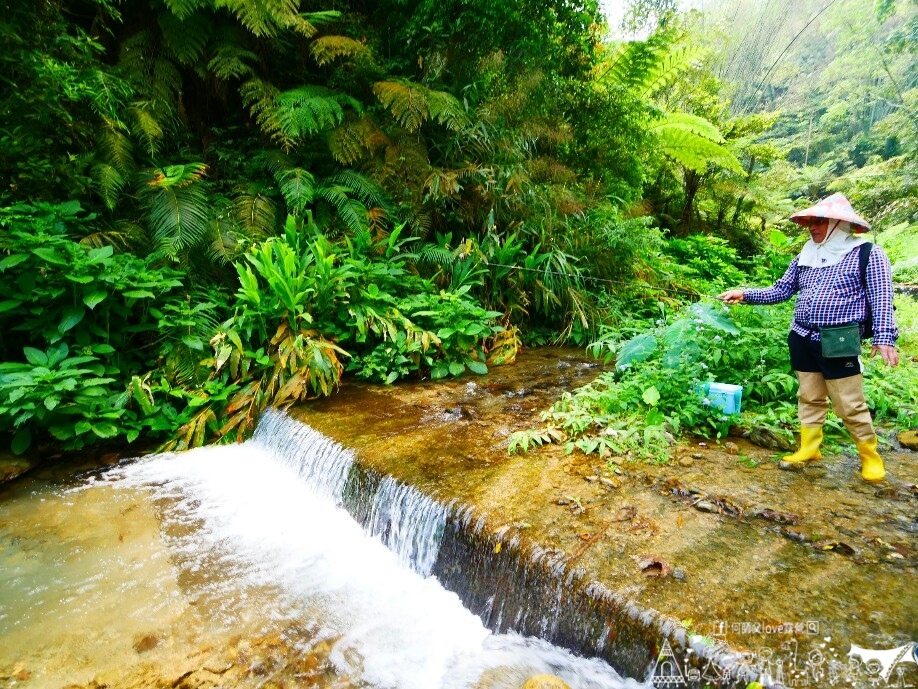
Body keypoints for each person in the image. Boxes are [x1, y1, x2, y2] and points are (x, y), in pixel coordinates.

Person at [718, 193, 899, 482]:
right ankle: (810, 448)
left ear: (838, 223)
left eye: (819, 221)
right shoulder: (806, 254)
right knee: (809, 396)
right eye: (810, 222)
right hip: (802, 336)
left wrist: (884, 337)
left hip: (839, 340)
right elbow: (781, 290)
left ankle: (869, 455)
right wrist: (746, 293)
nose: (812, 227)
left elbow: (881, 297)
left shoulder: (867, 253)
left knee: (849, 403)